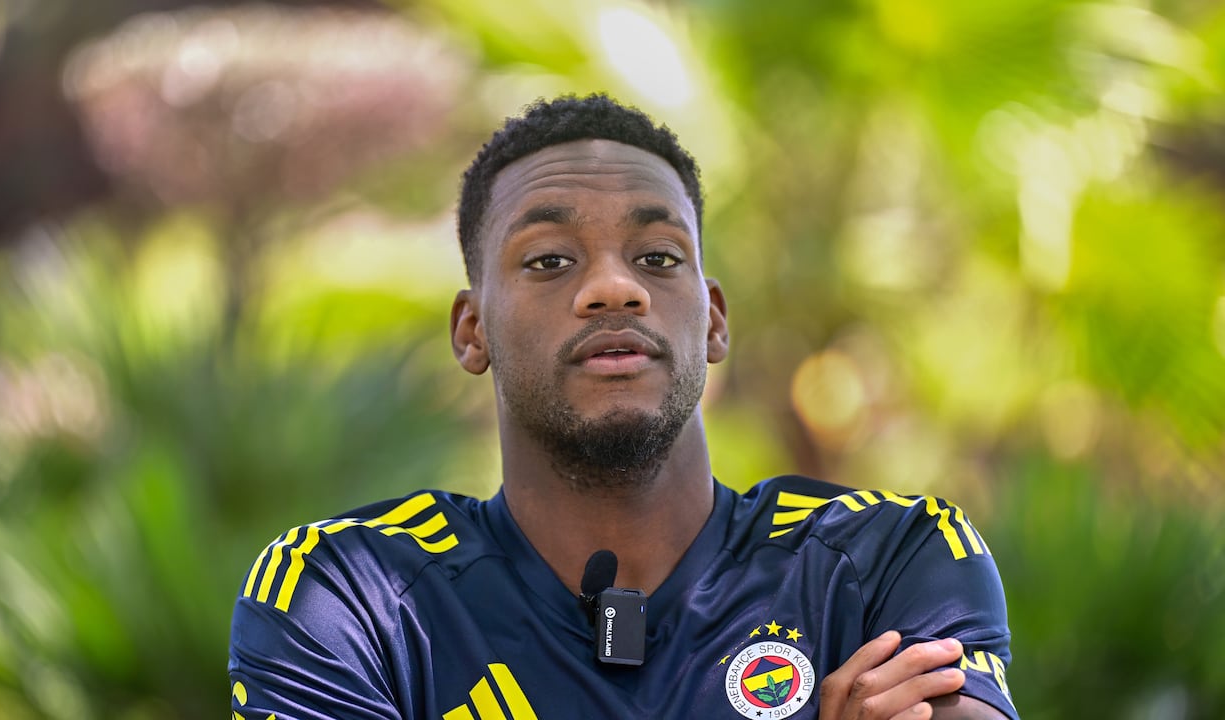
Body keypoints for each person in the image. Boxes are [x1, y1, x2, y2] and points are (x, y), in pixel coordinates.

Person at [228, 94, 1018, 720]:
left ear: (712, 318)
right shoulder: (350, 595)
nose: (615, 286)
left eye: (657, 257)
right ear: (474, 332)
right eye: (548, 261)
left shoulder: (886, 560)